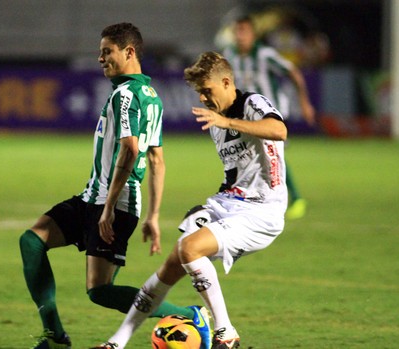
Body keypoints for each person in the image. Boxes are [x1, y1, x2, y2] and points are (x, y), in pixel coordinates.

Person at [19, 23, 210, 349]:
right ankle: (54, 336)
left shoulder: (124, 95)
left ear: (129, 52)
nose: (100, 58)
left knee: (100, 290)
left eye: (107, 51)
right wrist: (153, 215)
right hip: (96, 197)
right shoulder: (152, 97)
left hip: (112, 202)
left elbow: (132, 149)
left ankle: (190, 316)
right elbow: (157, 160)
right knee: (32, 241)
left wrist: (108, 209)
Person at [90, 51, 288, 349]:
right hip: (228, 204)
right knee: (172, 264)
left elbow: (279, 130)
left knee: (189, 248)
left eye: (207, 91)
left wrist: (226, 121)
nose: (205, 99)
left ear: (226, 82)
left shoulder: (252, 103)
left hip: (262, 210)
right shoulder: (216, 123)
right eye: (200, 94)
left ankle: (226, 333)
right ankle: (117, 343)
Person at [223, 15, 314, 220]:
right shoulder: (229, 55)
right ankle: (257, 197)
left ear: (253, 34)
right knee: (251, 155)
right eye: (237, 31)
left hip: (269, 113)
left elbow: (293, 73)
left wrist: (305, 103)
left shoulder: (265, 55)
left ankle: (295, 198)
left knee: (271, 152)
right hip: (247, 115)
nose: (240, 36)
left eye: (244, 31)